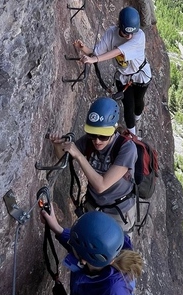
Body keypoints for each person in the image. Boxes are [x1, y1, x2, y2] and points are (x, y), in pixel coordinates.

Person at [51, 96, 137, 230]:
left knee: (114, 248)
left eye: (103, 136)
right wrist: (57, 145)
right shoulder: (88, 141)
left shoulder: (127, 148)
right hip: (93, 205)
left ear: (114, 129)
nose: (97, 141)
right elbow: (63, 159)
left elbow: (101, 185)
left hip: (118, 212)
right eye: (92, 134)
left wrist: (79, 156)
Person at [74, 7, 150, 135]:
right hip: (123, 76)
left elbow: (118, 51)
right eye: (126, 33)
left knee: (138, 103)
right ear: (120, 27)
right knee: (128, 106)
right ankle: (133, 136)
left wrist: (95, 59)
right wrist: (83, 48)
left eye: (132, 33)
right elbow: (97, 52)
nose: (129, 36)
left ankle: (138, 116)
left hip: (140, 74)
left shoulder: (139, 37)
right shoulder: (111, 33)